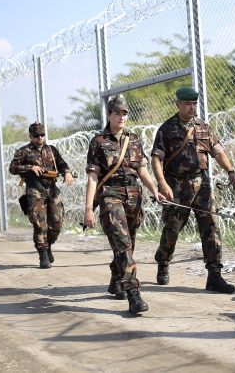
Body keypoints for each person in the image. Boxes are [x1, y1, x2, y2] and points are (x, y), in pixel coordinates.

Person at [151, 86, 235, 294]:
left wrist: (231, 171)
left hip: (202, 185)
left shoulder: (203, 127)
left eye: (194, 104)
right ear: (178, 105)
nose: (192, 108)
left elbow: (218, 151)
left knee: (211, 227)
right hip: (176, 185)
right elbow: (156, 159)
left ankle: (215, 275)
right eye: (187, 104)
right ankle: (163, 261)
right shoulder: (167, 129)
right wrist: (163, 184)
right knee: (172, 229)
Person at [83, 94, 165, 315]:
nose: (121, 117)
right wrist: (89, 208)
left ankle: (116, 276)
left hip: (134, 195)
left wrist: (155, 190)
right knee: (122, 244)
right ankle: (133, 294)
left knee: (128, 244)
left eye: (124, 113)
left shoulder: (134, 138)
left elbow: (142, 170)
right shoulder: (98, 142)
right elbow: (92, 177)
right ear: (109, 114)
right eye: (117, 113)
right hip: (110, 195)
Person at [9, 121, 74, 268]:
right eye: (36, 135)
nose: (40, 138)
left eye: (42, 135)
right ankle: (43, 253)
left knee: (57, 222)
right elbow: (13, 168)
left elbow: (62, 164)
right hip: (35, 190)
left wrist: (67, 173)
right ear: (31, 136)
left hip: (52, 189)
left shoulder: (51, 150)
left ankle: (48, 244)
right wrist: (30, 167)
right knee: (40, 224)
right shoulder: (24, 151)